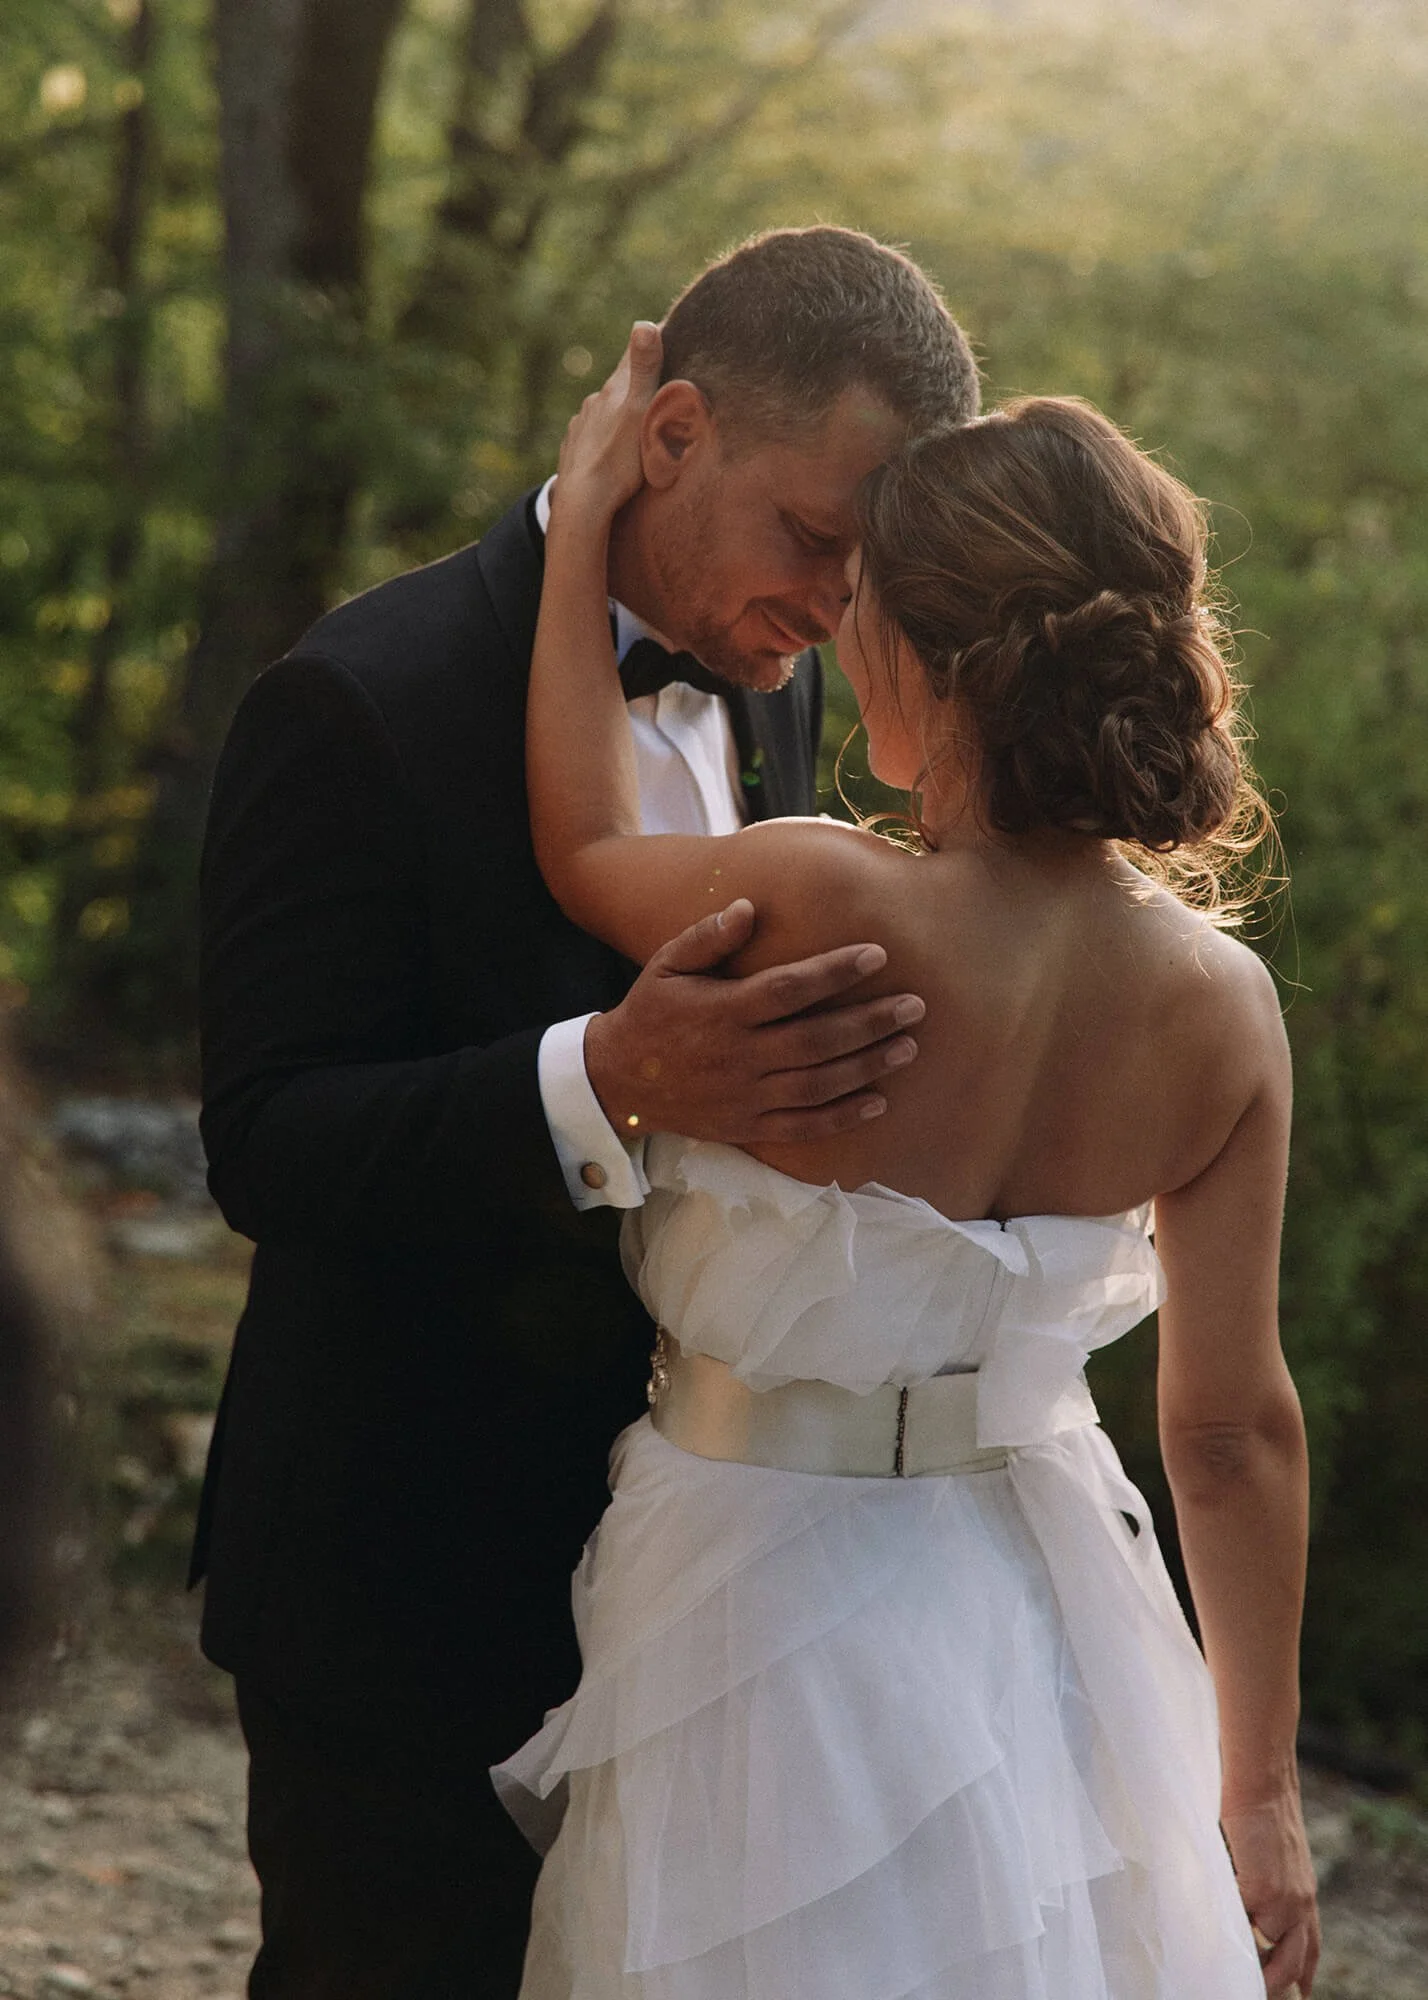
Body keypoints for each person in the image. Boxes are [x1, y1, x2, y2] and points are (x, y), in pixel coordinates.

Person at [190, 227, 980, 1996]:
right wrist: (603, 1082)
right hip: (409, 1568)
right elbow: (268, 1140)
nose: (842, 609)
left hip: (705, 1580)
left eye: (873, 569)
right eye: (817, 540)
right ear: (674, 435)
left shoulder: (776, 684)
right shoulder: (356, 698)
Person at [495, 326, 1321, 1997]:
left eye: (860, 597)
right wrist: (1260, 1791)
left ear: (935, 657)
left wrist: (578, 530)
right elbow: (1232, 1434)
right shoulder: (1225, 1009)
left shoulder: (819, 892)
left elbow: (584, 841)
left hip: (752, 1580)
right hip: (1047, 1595)